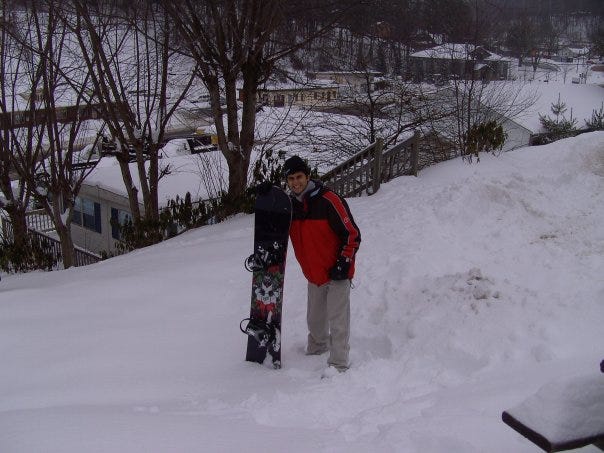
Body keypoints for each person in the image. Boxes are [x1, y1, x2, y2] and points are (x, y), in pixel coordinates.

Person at [282, 155, 361, 373]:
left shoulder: (329, 200)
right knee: (315, 321)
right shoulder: (290, 207)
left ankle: (338, 363)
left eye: (299, 177)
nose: (295, 182)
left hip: (337, 272)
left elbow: (352, 235)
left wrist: (343, 263)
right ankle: (317, 349)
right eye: (290, 179)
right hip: (314, 275)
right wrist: (268, 195)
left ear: (307, 176)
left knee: (338, 321)